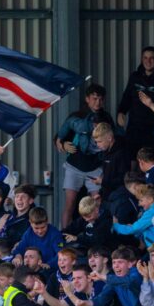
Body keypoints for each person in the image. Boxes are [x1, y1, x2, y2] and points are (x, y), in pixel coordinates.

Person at [54, 84, 113, 227]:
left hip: (95, 167)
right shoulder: (76, 116)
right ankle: (65, 238)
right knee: (70, 203)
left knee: (97, 204)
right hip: (75, 165)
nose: (97, 102)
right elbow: (59, 137)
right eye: (94, 99)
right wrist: (63, 144)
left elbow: (114, 140)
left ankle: (97, 235)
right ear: (87, 99)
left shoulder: (106, 117)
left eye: (100, 99)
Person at [117, 46, 154, 157]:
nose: (148, 61)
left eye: (151, 58)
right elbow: (127, 96)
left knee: (150, 160)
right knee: (131, 160)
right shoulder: (134, 76)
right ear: (141, 59)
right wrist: (121, 112)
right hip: (134, 126)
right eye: (145, 58)